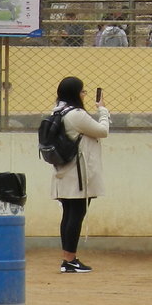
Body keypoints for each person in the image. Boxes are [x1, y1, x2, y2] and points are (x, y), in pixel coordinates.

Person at [49, 75, 111, 273]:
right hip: (78, 172)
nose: (83, 94)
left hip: (64, 169)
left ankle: (68, 258)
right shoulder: (76, 114)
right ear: (75, 93)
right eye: (82, 91)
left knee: (69, 213)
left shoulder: (57, 110)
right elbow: (102, 131)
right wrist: (102, 110)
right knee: (76, 214)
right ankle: (69, 261)